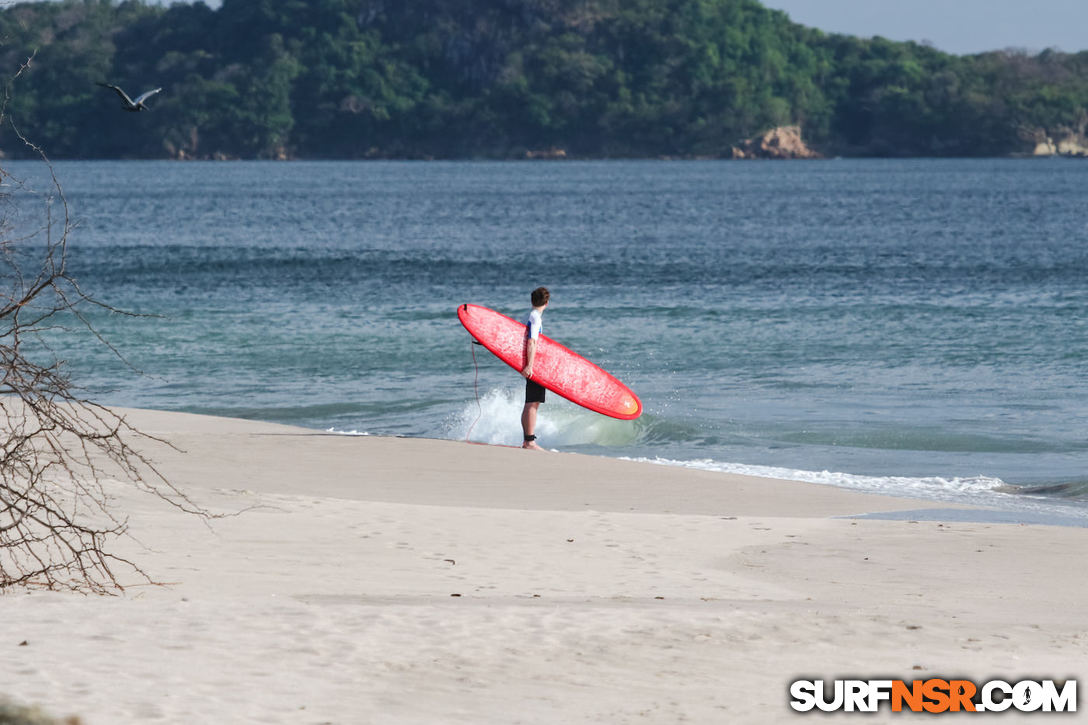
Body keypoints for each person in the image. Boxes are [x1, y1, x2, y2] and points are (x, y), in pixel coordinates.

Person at [521, 286, 550, 450]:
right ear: (547, 303)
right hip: (533, 365)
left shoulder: (527, 315)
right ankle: (530, 442)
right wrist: (530, 366)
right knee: (533, 402)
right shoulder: (535, 318)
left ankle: (527, 440)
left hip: (528, 362)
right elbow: (532, 341)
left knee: (530, 402)